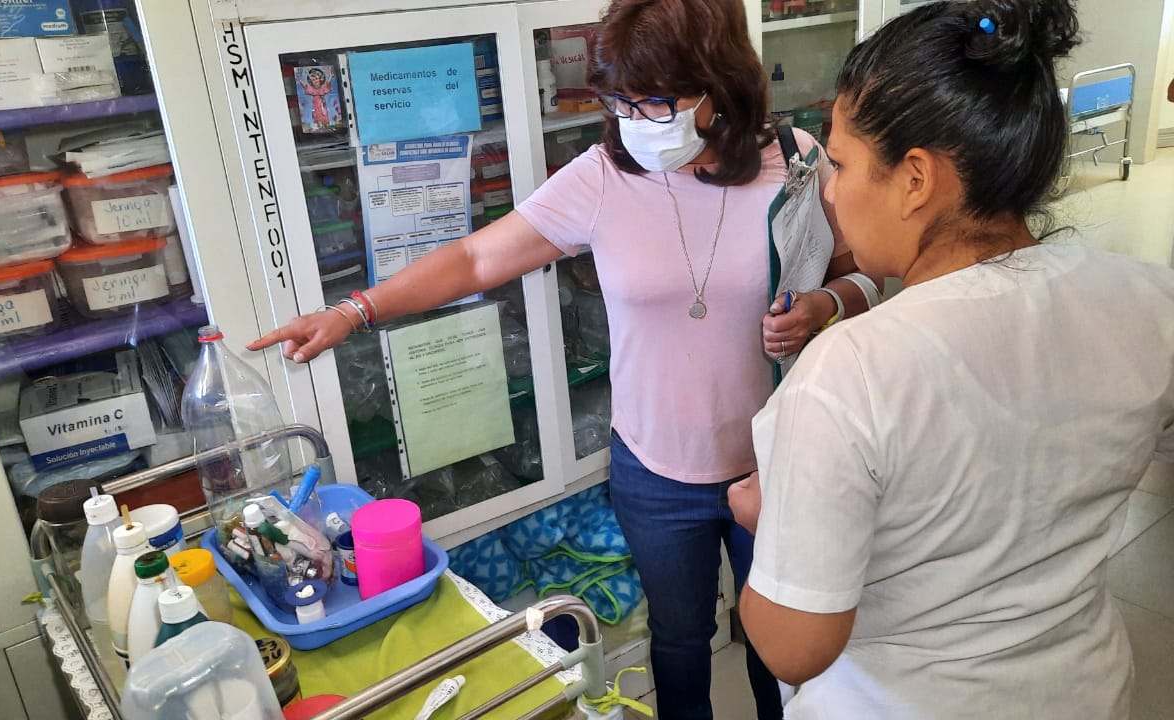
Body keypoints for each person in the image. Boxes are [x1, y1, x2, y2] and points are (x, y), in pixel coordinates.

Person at [250, 1, 878, 717]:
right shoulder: (603, 176)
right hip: (654, 471)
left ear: (719, 82)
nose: (635, 120)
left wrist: (825, 306)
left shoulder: (796, 160)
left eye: (655, 101)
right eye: (620, 101)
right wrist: (353, 311)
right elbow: (475, 258)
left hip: (778, 458)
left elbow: (865, 275)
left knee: (781, 648)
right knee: (679, 639)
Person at [728, 1, 1174, 718]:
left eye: (840, 163)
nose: (831, 194)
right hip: (1087, 690)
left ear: (915, 179)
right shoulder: (1151, 300)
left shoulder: (851, 370)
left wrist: (768, 517)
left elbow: (793, 646)